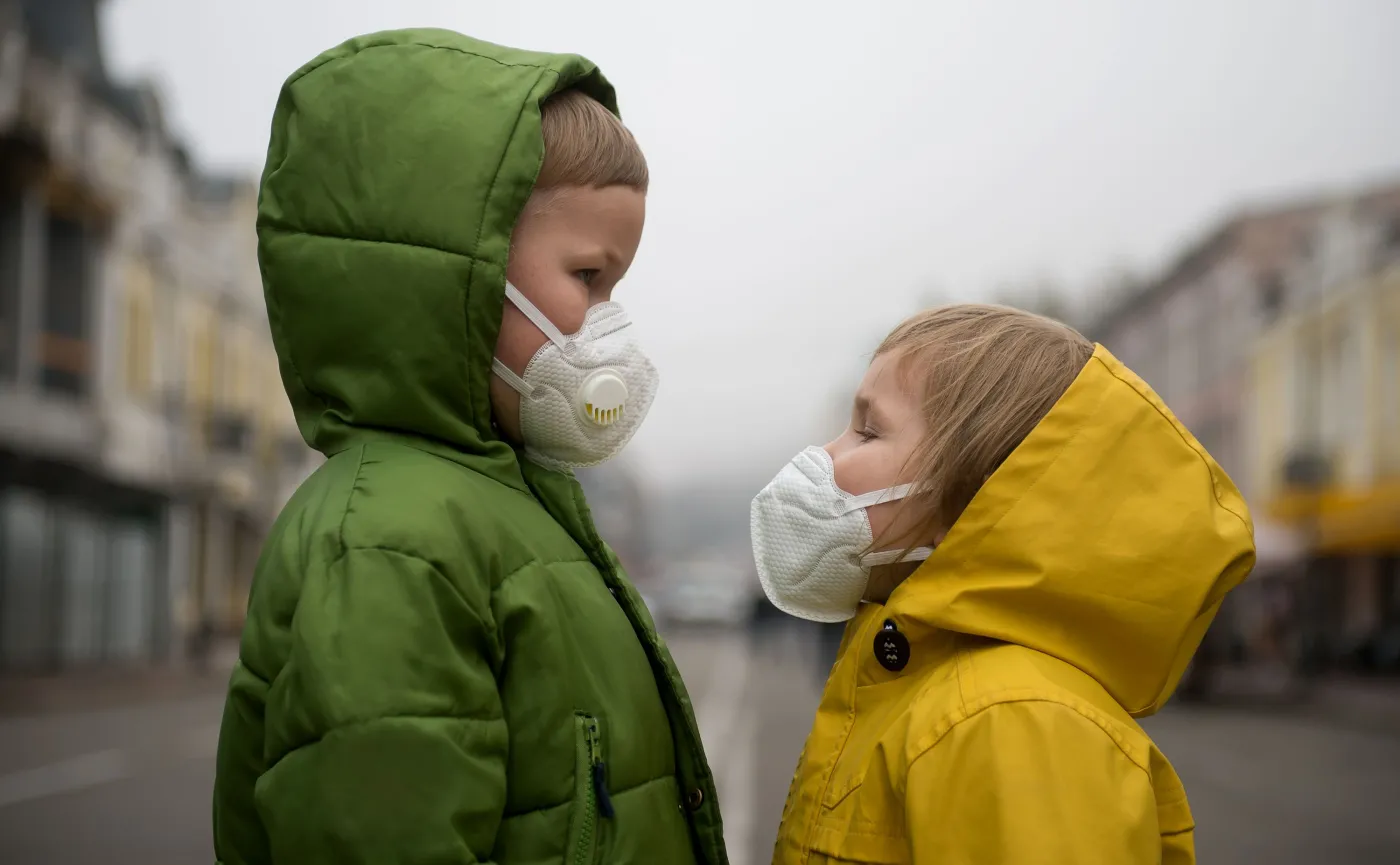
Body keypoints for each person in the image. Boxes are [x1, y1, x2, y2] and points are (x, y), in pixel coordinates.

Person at [212, 29, 726, 865]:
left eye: (618, 287)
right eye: (589, 278)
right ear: (466, 267)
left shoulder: (515, 503)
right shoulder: (390, 539)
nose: (609, 323)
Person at [752, 305, 1255, 864]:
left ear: (980, 493)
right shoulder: (930, 682)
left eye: (868, 431)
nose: (826, 456)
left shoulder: (1013, 723)